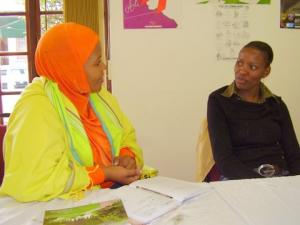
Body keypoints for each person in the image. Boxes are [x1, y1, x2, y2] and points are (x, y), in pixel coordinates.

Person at [0, 23, 143, 202]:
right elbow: (36, 180)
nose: (104, 67)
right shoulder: (36, 106)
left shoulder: (98, 95)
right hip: (57, 203)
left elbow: (126, 135)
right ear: (71, 68)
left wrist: (127, 155)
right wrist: (103, 173)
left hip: (111, 194)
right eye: (97, 62)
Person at [207, 41, 300, 180]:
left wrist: (294, 183)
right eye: (239, 63)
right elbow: (224, 159)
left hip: (279, 176)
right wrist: (260, 184)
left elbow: (293, 154)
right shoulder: (219, 100)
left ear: (266, 71)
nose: (242, 71)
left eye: (253, 67)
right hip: (238, 178)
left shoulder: (276, 104)